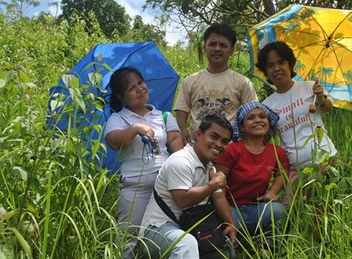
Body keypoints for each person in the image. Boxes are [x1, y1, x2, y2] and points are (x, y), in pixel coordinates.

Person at [103, 67, 184, 258]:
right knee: (127, 240)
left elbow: (175, 142)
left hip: (165, 188)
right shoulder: (118, 118)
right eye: (132, 88)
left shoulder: (163, 116)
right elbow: (114, 141)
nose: (140, 88)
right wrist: (135, 129)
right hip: (135, 190)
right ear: (121, 97)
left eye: (140, 82)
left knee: (169, 233)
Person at [138, 113, 236, 258]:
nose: (219, 144)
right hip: (157, 230)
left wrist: (230, 224)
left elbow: (219, 198)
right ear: (198, 134)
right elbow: (182, 199)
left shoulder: (209, 167)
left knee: (225, 252)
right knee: (186, 244)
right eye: (214, 137)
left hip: (191, 227)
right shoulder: (181, 161)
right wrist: (213, 184)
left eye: (224, 141)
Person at [256, 41, 337, 202]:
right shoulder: (267, 105)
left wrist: (320, 98)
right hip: (294, 169)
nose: (277, 68)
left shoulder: (309, 87)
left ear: (290, 64)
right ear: (266, 71)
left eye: (281, 62)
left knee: (322, 210)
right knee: (293, 213)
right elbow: (266, 139)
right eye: (270, 65)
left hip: (325, 160)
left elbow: (327, 108)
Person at [174, 23, 258, 145]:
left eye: (223, 45)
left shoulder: (243, 82)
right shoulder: (190, 81)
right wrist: (182, 129)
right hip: (196, 148)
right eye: (212, 44)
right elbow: (182, 109)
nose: (217, 49)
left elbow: (252, 113)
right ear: (205, 48)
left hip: (229, 150)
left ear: (232, 51)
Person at [215, 102, 289, 237]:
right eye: (251, 118)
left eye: (262, 116)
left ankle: (266, 247)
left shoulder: (276, 151)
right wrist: (228, 220)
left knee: (280, 211)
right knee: (220, 229)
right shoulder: (232, 149)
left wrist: (272, 192)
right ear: (242, 127)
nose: (258, 120)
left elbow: (282, 174)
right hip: (230, 209)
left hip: (257, 208)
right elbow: (218, 185)